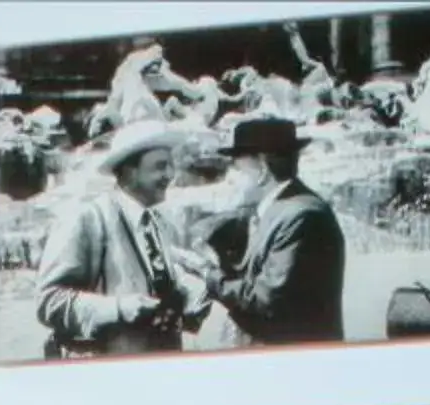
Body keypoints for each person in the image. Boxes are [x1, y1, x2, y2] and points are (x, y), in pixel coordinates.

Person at [36, 122, 203, 358]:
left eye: (171, 166)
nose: (170, 175)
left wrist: (185, 294)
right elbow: (49, 301)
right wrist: (117, 309)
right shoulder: (86, 219)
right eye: (160, 167)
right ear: (130, 172)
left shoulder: (158, 221)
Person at [210, 116, 346, 346]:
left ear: (262, 169)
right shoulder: (281, 209)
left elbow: (267, 300)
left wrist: (211, 277)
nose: (229, 178)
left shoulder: (302, 216)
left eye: (236, 168)